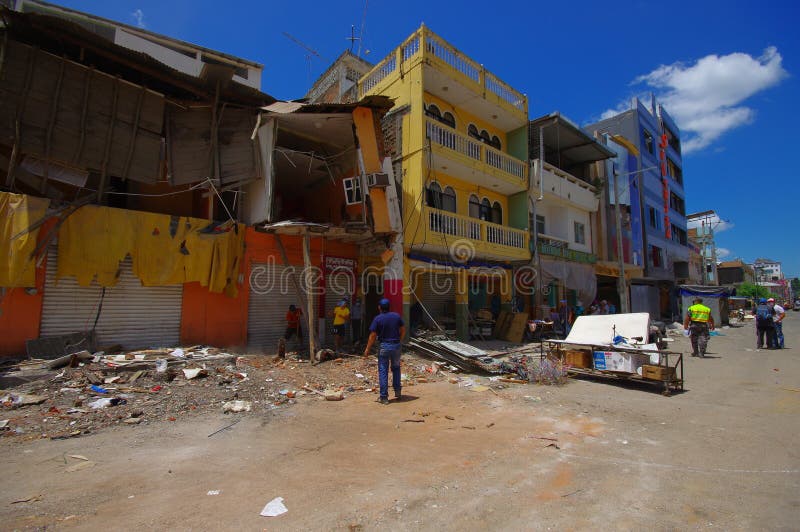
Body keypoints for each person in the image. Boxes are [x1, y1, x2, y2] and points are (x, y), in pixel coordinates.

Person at [363, 298, 406, 405]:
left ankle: (384, 397)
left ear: (379, 307)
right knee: (396, 368)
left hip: (384, 347)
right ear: (389, 307)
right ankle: (398, 392)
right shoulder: (396, 316)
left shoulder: (378, 319)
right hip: (396, 346)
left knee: (383, 371)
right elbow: (403, 330)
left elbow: (372, 335)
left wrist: (367, 349)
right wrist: (399, 341)